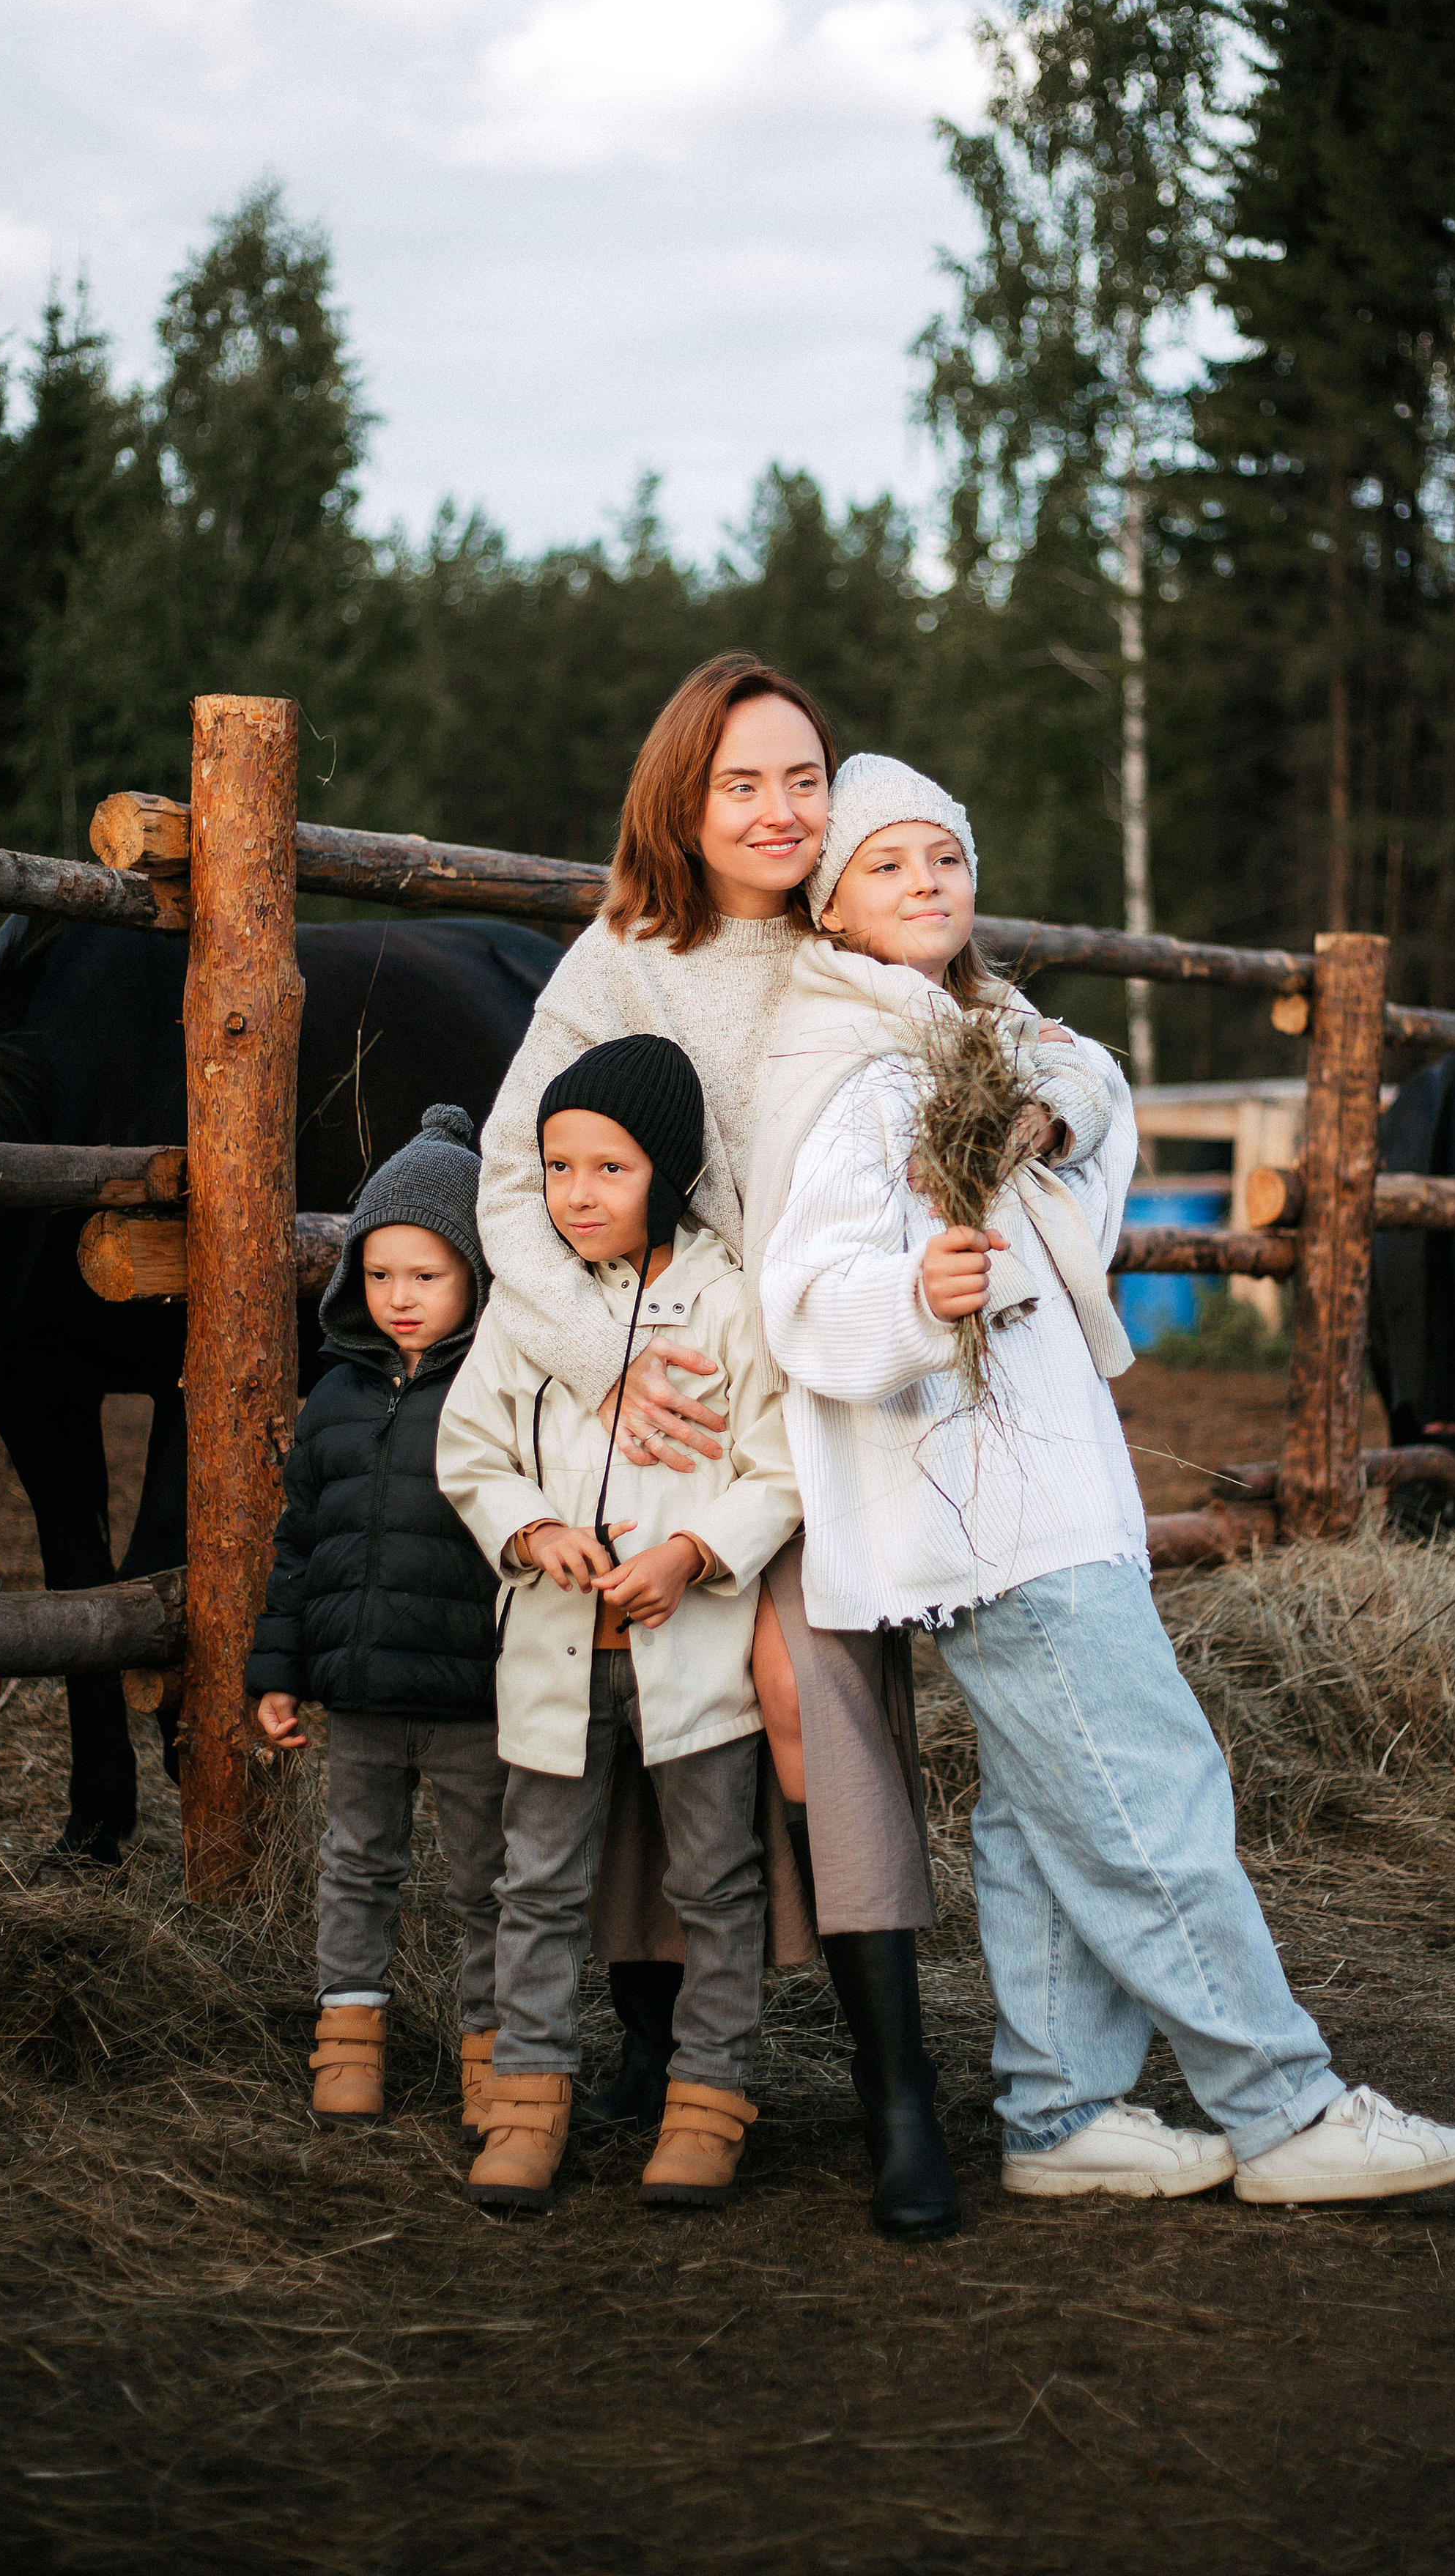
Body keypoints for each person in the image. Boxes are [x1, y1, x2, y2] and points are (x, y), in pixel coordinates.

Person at [755, 755, 1455, 2207]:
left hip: (1045, 1477)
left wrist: (1053, 1121)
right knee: (1143, 1789)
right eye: (887, 865)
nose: (925, 885)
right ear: (830, 903)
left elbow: (1089, 1079)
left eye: (944, 861)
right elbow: (805, 1291)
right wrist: (915, 1294)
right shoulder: (845, 1068)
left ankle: (1058, 2112)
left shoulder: (980, 1027)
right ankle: (1280, 2110)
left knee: (1042, 1813)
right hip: (977, 1500)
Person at [475, 653, 963, 2237]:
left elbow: (1021, 1048)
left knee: (797, 1686)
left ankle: (899, 2096)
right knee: (631, 1655)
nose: (776, 810)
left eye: (802, 779)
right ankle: (654, 2053)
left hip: (829, 1396)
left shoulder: (861, 939)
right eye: (739, 782)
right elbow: (511, 1181)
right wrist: (596, 1370)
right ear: (680, 799)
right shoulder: (621, 962)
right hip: (675, 1406)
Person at [437, 1037, 800, 2212]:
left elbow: (781, 1464)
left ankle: (709, 2101)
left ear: (671, 1171)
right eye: (556, 1167)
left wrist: (697, 1552)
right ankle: (528, 2105)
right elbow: (470, 1450)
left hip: (691, 1656)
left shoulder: (727, 1300)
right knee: (534, 1882)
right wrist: (535, 1533)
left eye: (609, 1168)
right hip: (553, 1646)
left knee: (713, 1882)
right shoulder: (531, 1308)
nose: (576, 1195)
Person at [248, 1106, 506, 2138]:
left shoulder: (501, 1394)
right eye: (381, 1274)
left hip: (472, 1698)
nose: (400, 1298)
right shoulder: (334, 1400)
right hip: (355, 1693)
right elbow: (298, 1545)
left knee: (490, 1879)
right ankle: (348, 2040)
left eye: (428, 1275)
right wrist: (277, 1669)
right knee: (359, 1864)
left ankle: (497, 2051)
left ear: (477, 1278)